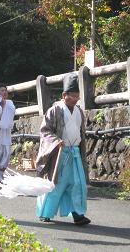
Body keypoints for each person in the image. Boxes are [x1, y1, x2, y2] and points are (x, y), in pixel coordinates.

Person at [35, 74, 91, 226]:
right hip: (60, 153)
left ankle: (78, 214)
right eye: (72, 96)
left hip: (74, 153)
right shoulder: (55, 110)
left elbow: (81, 134)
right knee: (56, 184)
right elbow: (45, 131)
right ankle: (45, 212)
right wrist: (56, 141)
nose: (75, 99)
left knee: (77, 184)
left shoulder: (79, 112)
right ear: (64, 95)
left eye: (77, 97)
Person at [0, 85, 15, 183]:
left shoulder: (10, 102)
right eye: (2, 90)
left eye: (5, 90)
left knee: (6, 154)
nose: (4, 92)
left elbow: (11, 114)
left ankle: (0, 174)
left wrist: (4, 104)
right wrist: (1, 105)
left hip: (6, 131)